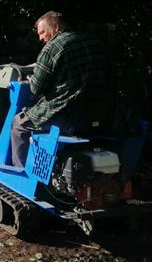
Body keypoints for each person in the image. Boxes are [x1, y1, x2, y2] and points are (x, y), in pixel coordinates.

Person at [11, 11, 108, 167]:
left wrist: (32, 78)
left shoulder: (52, 48)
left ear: (56, 27)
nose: (40, 38)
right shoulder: (94, 42)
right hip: (99, 114)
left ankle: (21, 172)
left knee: (18, 124)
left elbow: (36, 89)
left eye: (42, 32)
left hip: (66, 115)